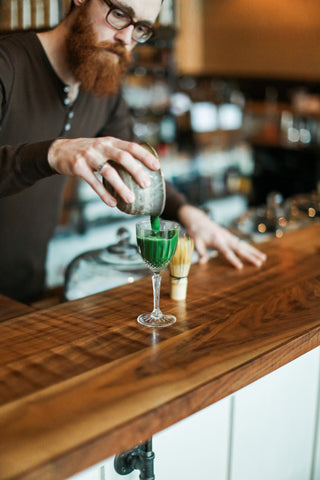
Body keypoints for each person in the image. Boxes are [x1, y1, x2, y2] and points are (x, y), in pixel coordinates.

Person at [0, 0, 266, 303]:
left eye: (140, 28)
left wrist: (190, 215)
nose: (126, 38)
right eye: (119, 14)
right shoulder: (7, 63)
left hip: (22, 291)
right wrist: (52, 153)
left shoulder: (103, 91)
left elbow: (138, 168)